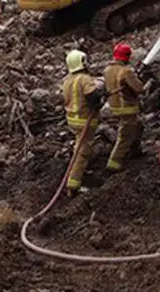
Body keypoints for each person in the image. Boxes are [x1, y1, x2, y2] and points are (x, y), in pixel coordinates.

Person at [61, 49, 105, 196]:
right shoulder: (85, 79)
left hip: (73, 120)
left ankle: (83, 171)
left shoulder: (67, 81)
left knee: (79, 146)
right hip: (85, 120)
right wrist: (101, 98)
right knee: (83, 152)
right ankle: (73, 185)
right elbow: (92, 98)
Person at [103, 43, 145, 172]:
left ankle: (135, 150)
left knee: (138, 125)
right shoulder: (126, 71)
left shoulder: (108, 70)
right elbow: (138, 89)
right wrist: (138, 78)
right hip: (127, 108)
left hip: (115, 107)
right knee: (125, 136)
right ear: (126, 56)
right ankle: (113, 164)